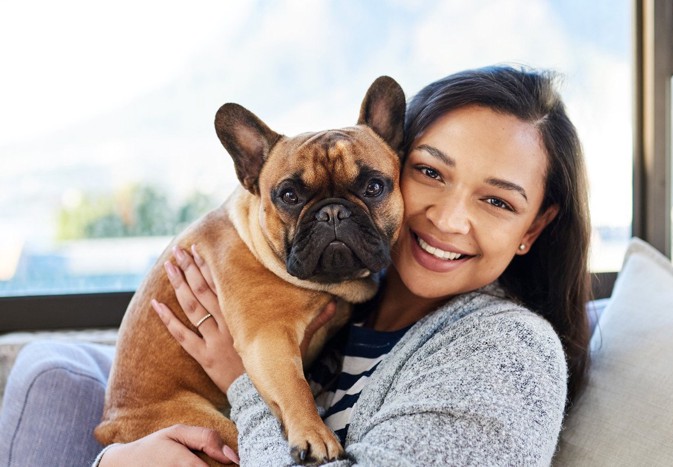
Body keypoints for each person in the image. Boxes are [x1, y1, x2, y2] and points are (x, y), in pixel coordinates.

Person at [0, 65, 591, 466]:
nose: (448, 217)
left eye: (497, 200)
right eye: (431, 173)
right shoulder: (350, 299)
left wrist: (242, 382)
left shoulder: (505, 355)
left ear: (534, 228)